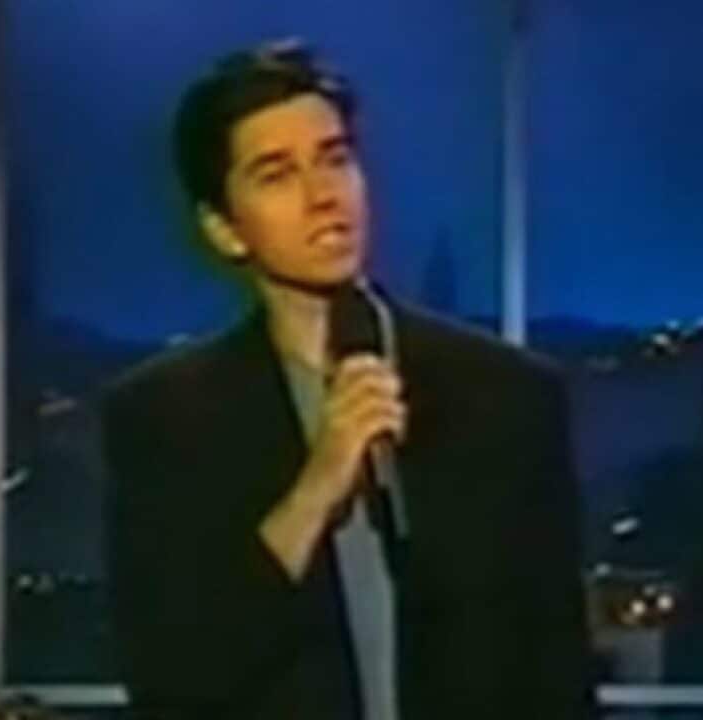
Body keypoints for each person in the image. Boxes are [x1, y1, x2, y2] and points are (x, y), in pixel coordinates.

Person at [102, 40, 593, 720]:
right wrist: (316, 489)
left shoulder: (508, 396)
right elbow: (175, 676)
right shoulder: (163, 419)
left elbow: (556, 672)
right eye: (276, 175)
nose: (324, 196)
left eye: (335, 159)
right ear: (224, 230)